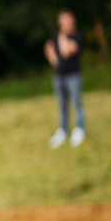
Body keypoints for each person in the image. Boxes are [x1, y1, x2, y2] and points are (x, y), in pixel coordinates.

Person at [44, 10, 85, 148]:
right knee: (62, 105)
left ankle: (79, 129)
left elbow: (66, 52)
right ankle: (63, 131)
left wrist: (62, 36)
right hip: (59, 77)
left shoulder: (76, 36)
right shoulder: (56, 36)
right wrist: (53, 59)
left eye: (67, 21)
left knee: (76, 103)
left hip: (73, 76)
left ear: (72, 22)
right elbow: (48, 46)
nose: (65, 24)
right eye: (63, 21)